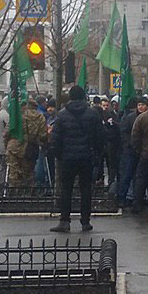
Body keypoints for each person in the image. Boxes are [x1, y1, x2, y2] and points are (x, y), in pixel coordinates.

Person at [48, 86, 105, 233]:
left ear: (70, 97)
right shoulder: (93, 114)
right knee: (86, 190)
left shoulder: (62, 115)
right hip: (86, 157)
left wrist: (59, 155)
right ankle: (85, 221)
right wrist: (96, 154)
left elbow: (55, 139)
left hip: (67, 158)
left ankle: (64, 221)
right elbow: (101, 137)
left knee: (66, 189)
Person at [116, 97, 147, 208]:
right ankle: (122, 198)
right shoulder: (130, 118)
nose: (141, 107)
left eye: (143, 105)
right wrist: (128, 144)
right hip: (131, 151)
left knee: (141, 176)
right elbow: (123, 131)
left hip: (144, 151)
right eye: (139, 105)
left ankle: (138, 197)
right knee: (127, 175)